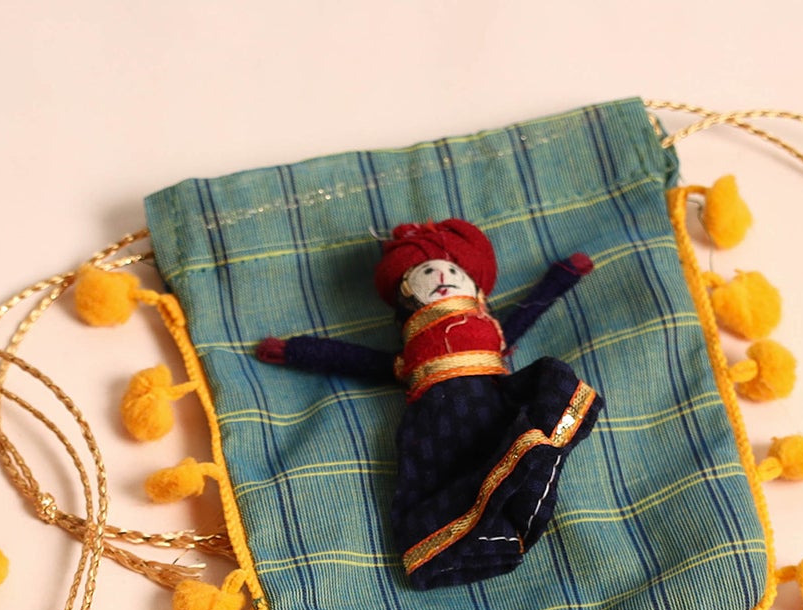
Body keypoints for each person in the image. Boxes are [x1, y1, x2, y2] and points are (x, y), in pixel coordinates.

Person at [256, 219, 601, 587]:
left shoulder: (491, 332)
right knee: (438, 481)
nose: (441, 277)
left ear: (475, 287)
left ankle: (519, 488)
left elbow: (527, 311)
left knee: (546, 391)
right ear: (406, 292)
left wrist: (563, 276)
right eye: (427, 273)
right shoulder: (411, 355)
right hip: (433, 422)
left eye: (452, 271)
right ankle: (458, 546)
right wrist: (295, 351)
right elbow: (356, 359)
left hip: (493, 403)